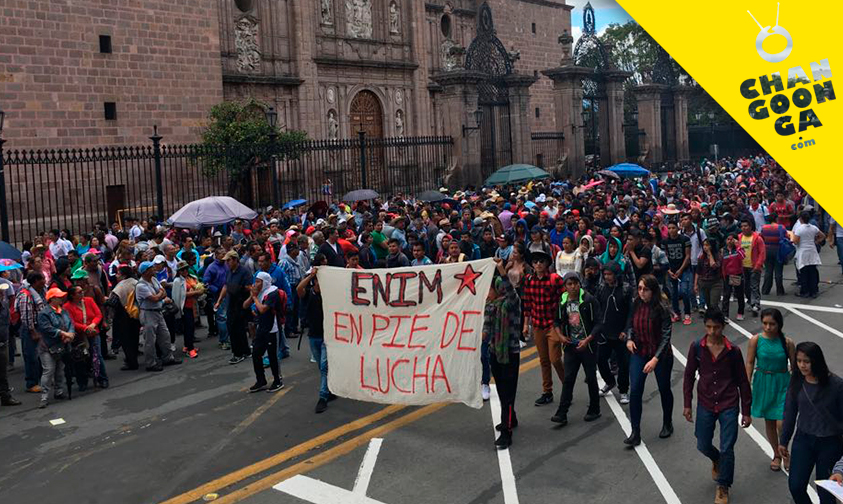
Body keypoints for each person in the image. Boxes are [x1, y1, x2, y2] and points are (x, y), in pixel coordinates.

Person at [683, 308, 752, 504]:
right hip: (705, 402)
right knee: (702, 443)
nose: (712, 331)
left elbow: (742, 381)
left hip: (728, 402)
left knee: (727, 447)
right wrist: (687, 404)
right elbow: (688, 376)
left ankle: (723, 486)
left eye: (716, 328)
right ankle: (717, 459)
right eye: (709, 327)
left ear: (723, 327)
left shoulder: (733, 352)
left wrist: (746, 411)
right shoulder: (697, 347)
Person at [778, 342, 843, 504]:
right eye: (799, 361)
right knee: (796, 486)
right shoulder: (796, 382)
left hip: (830, 442)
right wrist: (783, 441)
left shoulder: (836, 385)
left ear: (816, 361)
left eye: (806, 361)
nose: (802, 365)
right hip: (804, 440)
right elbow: (790, 412)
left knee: (826, 492)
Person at [624, 274, 674, 446]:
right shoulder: (636, 303)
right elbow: (630, 323)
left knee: (664, 388)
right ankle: (635, 431)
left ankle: (667, 423)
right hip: (640, 351)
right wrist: (629, 339)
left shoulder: (662, 308)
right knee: (635, 390)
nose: (641, 292)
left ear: (653, 291)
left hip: (660, 355)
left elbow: (666, 335)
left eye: (645, 289)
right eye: (639, 288)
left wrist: (655, 359)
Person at [745, 308, 795, 472]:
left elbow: (795, 367)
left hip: (782, 383)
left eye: (772, 324)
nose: (767, 327)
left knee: (782, 423)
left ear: (779, 324)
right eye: (765, 323)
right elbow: (750, 362)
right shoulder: (755, 340)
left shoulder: (787, 342)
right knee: (769, 422)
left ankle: (785, 452)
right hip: (763, 383)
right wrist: (747, 383)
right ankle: (776, 454)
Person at [551, 271, 602, 426]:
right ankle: (562, 413)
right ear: (565, 286)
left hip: (588, 347)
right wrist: (560, 336)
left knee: (591, 378)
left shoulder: (588, 300)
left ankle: (594, 408)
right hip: (571, 345)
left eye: (575, 283)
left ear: (580, 284)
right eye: (569, 284)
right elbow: (557, 321)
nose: (573, 287)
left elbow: (598, 323)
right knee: (568, 379)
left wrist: (587, 340)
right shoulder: (563, 301)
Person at [483, 258, 522, 449]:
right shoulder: (490, 307)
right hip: (495, 354)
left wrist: (501, 271)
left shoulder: (512, 304)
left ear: (499, 289)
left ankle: (506, 433)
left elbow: (511, 292)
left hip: (510, 353)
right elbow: (486, 329)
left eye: (489, 290)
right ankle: (511, 418)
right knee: (501, 389)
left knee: (507, 393)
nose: (486, 294)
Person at [521, 250, 564, 406]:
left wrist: (564, 322)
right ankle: (547, 392)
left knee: (555, 359)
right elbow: (527, 304)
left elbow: (564, 300)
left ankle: (567, 386)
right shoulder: (528, 280)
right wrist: (526, 324)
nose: (538, 264)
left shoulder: (555, 280)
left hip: (553, 325)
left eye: (541, 261)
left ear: (547, 264)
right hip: (538, 325)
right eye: (535, 262)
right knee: (544, 360)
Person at [595, 261, 632, 404]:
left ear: (616, 274)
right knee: (600, 360)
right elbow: (597, 308)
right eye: (605, 274)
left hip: (620, 334)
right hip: (605, 333)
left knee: (623, 364)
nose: (607, 277)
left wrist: (626, 330)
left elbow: (630, 312)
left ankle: (623, 390)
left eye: (609, 274)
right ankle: (609, 382)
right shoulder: (601, 289)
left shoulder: (626, 289)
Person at [298, 262, 332, 413]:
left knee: (324, 367)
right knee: (321, 366)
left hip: (326, 336)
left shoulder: (329, 295)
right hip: (314, 336)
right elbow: (299, 289)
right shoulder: (309, 294)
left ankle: (323, 397)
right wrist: (310, 275)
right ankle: (329, 389)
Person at [135, 261, 182, 372]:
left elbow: (163, 293)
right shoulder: (141, 286)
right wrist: (160, 294)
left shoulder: (154, 280)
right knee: (150, 340)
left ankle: (168, 358)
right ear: (145, 272)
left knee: (165, 335)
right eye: (151, 268)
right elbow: (155, 298)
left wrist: (160, 294)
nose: (154, 269)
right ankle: (151, 363)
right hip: (148, 313)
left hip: (158, 311)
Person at [245, 271, 284, 393]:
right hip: (261, 328)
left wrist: (255, 297)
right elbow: (245, 306)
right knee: (256, 353)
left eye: (258, 281)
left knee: (272, 356)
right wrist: (252, 296)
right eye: (255, 281)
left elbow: (262, 309)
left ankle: (278, 380)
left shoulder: (272, 293)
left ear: (265, 282)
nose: (255, 284)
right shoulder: (258, 293)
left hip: (272, 329)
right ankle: (261, 380)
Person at [35, 288, 75, 408]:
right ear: (52, 299)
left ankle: (59, 391)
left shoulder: (63, 311)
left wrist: (70, 334)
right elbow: (47, 328)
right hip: (48, 346)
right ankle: (44, 396)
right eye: (58, 297)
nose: (61, 298)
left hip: (62, 345)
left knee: (60, 369)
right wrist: (64, 334)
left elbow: (70, 324)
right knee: (49, 370)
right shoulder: (44, 313)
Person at [63, 285, 105, 391]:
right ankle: (82, 382)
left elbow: (98, 314)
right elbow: (71, 322)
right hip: (79, 336)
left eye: (82, 291)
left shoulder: (89, 300)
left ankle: (102, 378)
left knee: (97, 356)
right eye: (79, 292)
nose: (82, 293)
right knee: (80, 359)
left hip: (93, 332)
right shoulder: (67, 307)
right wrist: (86, 328)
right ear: (72, 295)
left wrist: (92, 325)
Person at [214, 251, 252, 364]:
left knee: (236, 328)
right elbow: (226, 286)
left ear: (235, 260)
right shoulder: (229, 271)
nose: (227, 263)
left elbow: (250, 287)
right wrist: (219, 301)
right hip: (231, 303)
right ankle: (244, 351)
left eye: (229, 260)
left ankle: (238, 354)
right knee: (234, 327)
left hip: (241, 303)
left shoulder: (244, 272)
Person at [104, 264, 141, 370]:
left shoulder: (120, 287)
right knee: (135, 338)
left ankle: (131, 362)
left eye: (118, 273)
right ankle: (133, 358)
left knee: (126, 340)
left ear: (123, 275)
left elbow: (113, 303)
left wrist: (105, 300)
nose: (116, 275)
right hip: (136, 313)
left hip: (123, 315)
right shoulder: (136, 282)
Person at [16, 271, 46, 393]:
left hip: (39, 327)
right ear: (35, 282)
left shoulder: (39, 293)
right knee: (31, 356)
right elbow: (26, 317)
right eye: (42, 279)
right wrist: (33, 332)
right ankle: (31, 383)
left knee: (40, 355)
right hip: (30, 329)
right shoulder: (26, 296)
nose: (45, 281)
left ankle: (40, 379)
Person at [663, 221, 693, 325]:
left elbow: (688, 256)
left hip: (684, 269)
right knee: (673, 293)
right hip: (672, 270)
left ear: (677, 228)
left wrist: (680, 269)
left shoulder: (685, 239)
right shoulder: (665, 241)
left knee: (684, 291)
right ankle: (676, 313)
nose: (671, 230)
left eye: (673, 228)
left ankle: (687, 314)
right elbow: (664, 257)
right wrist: (669, 270)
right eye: (669, 228)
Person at [172, 261, 204, 359]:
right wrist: (196, 292)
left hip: (193, 305)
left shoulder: (190, 278)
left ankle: (187, 346)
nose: (185, 271)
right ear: (179, 271)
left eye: (186, 269)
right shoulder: (177, 281)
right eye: (182, 270)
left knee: (191, 327)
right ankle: (190, 348)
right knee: (188, 328)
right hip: (185, 307)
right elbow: (180, 295)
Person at [792, 211, 825, 298]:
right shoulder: (813, 227)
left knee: (804, 272)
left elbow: (795, 241)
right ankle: (814, 290)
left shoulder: (799, 229)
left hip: (803, 252)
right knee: (813, 271)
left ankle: (805, 291)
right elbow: (822, 235)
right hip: (812, 250)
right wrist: (816, 241)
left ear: (801, 219)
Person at [0, 280, 22, 407]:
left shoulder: (4, 307)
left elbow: (8, 324)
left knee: (3, 373)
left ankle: (5, 396)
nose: (3, 294)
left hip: (3, 343)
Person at [739, 217, 766, 316]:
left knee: (754, 286)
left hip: (754, 266)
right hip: (743, 266)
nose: (744, 228)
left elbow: (762, 252)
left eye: (745, 226)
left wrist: (758, 265)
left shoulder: (757, 238)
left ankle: (756, 303)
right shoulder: (739, 237)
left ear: (750, 227)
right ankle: (750, 301)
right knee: (746, 286)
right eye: (742, 226)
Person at [695, 239, 723, 319]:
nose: (705, 247)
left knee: (714, 303)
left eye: (707, 245)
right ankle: (712, 319)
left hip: (715, 283)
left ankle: (719, 318)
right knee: (709, 304)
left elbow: (714, 266)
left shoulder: (718, 256)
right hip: (704, 283)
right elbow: (698, 271)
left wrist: (710, 254)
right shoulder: (701, 257)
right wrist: (695, 284)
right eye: (704, 245)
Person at [721, 234, 746, 321]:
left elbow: (743, 257)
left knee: (739, 294)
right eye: (728, 239)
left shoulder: (738, 249)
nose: (730, 241)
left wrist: (738, 246)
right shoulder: (722, 251)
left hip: (736, 275)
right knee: (726, 295)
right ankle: (725, 314)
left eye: (732, 239)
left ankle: (740, 312)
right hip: (727, 275)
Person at [760, 214, 787, 296]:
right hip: (778, 250)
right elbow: (786, 237)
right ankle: (779, 290)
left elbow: (761, 238)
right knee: (778, 271)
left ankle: (765, 290)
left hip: (767, 250)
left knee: (768, 271)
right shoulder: (781, 227)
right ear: (776, 219)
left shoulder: (764, 228)